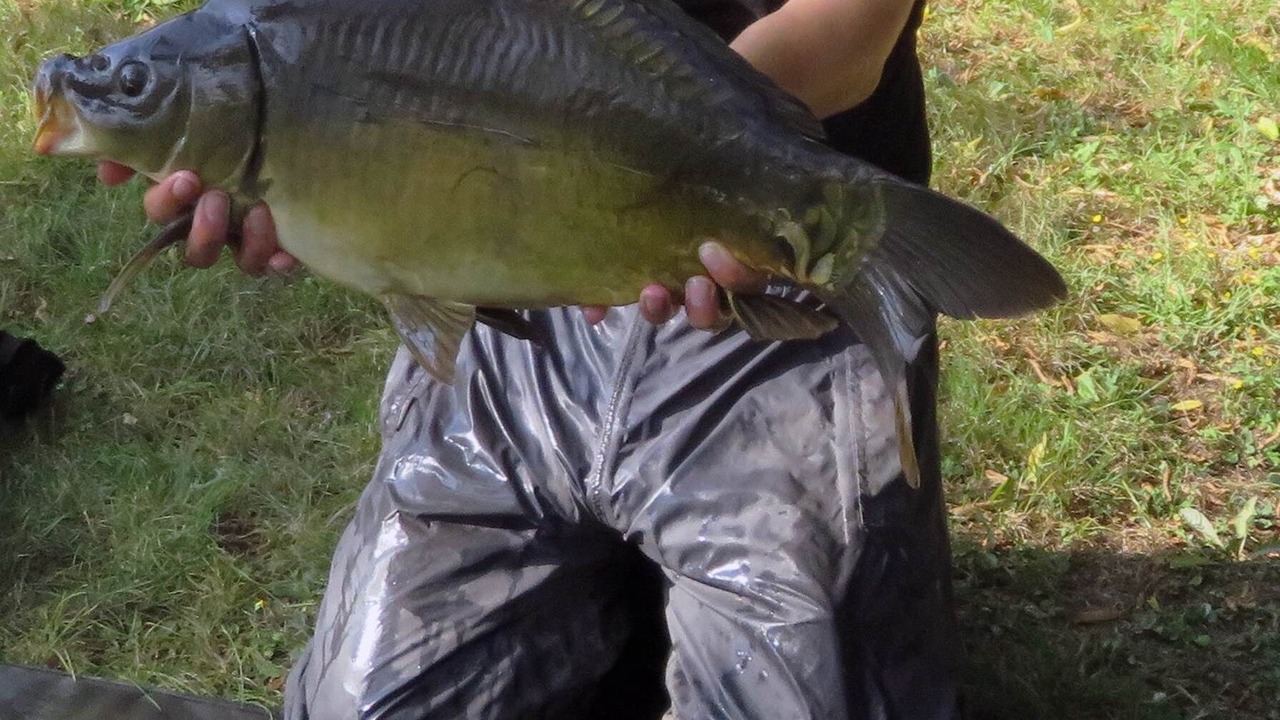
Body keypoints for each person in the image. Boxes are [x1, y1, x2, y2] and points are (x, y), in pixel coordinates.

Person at [101, 0, 959, 716]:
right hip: (518, 291)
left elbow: (844, 36)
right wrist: (313, 157)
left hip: (777, 271)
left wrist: (679, 165)